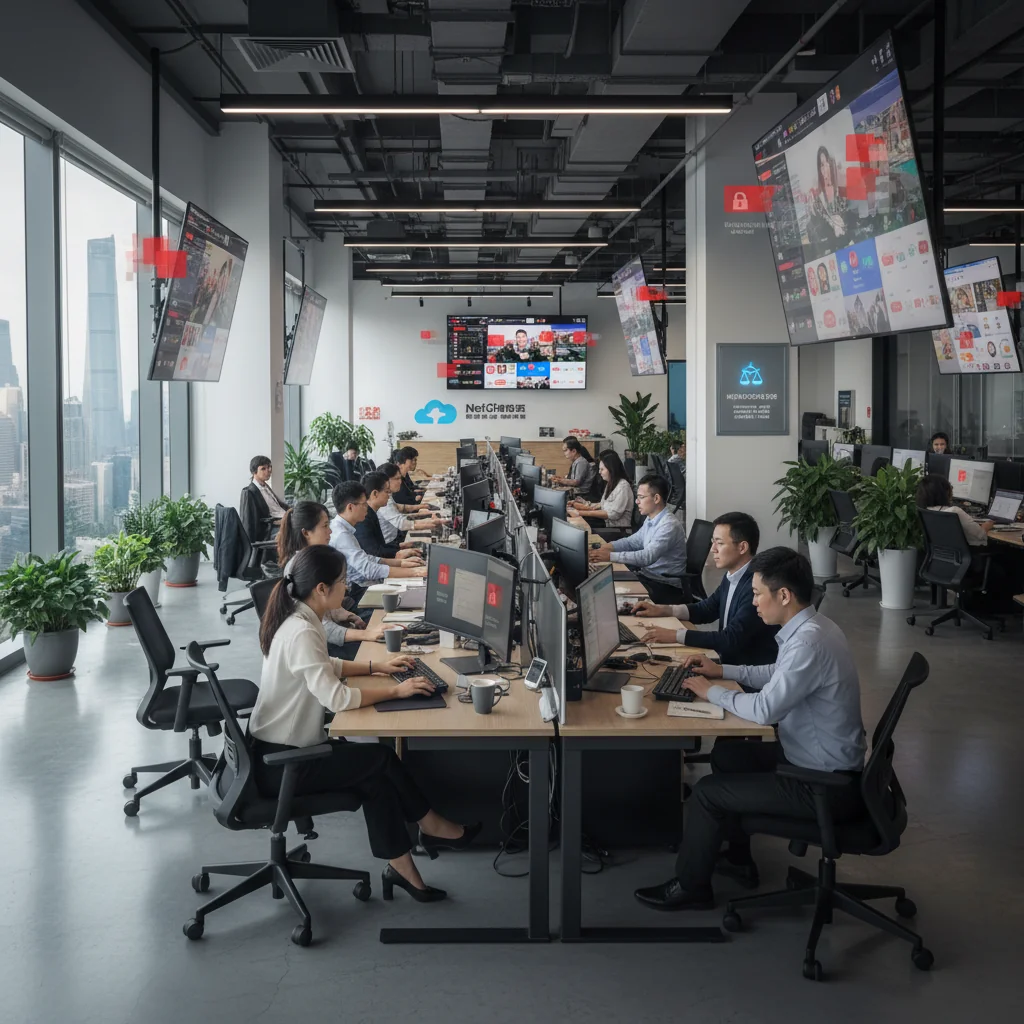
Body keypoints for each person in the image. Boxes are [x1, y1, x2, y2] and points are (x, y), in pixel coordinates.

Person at [634, 548, 866, 911]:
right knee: (729, 754)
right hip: (814, 759)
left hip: (824, 784)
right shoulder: (814, 627)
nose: (754, 602)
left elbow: (763, 709)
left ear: (784, 595)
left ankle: (692, 887)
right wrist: (723, 672)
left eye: (758, 593)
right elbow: (775, 674)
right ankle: (738, 857)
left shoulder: (807, 642)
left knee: (709, 793)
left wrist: (711, 692)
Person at [249, 545, 479, 903]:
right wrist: (397, 692)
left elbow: (326, 668)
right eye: (342, 581)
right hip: (283, 762)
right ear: (322, 589)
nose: (347, 587)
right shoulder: (302, 631)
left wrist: (376, 668)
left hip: (280, 749)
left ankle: (404, 871)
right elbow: (337, 699)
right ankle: (431, 825)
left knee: (376, 778)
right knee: (381, 760)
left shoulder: (299, 617)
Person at [634, 512, 779, 665]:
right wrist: (664, 610)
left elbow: (730, 639)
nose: (713, 549)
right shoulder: (733, 574)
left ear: (742, 547)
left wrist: (675, 635)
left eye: (720, 543)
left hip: (743, 673)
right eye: (712, 542)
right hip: (727, 662)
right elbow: (709, 609)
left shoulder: (755, 587)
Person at [275, 501, 384, 655]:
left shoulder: (317, 557)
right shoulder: (302, 567)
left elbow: (326, 609)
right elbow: (322, 627)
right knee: (379, 650)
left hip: (333, 633)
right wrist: (366, 634)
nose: (330, 532)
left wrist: (348, 615)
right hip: (323, 645)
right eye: (325, 526)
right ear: (306, 533)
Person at [589, 474, 687, 603]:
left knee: (609, 593)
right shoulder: (652, 518)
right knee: (601, 582)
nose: (637, 501)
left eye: (641, 497)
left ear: (656, 498)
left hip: (664, 586)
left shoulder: (668, 525)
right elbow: (632, 542)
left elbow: (647, 557)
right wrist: (605, 548)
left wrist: (610, 556)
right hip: (648, 577)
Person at [329, 482, 426, 602]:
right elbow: (368, 570)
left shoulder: (343, 528)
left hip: (365, 583)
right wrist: (414, 572)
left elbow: (367, 558)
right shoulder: (342, 535)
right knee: (418, 596)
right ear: (350, 507)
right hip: (360, 590)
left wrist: (399, 563)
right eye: (364, 504)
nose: (367, 507)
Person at [357, 471, 433, 559]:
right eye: (387, 492)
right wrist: (398, 552)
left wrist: (400, 546)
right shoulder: (363, 518)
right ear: (375, 494)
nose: (389, 496)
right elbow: (375, 552)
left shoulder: (372, 512)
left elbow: (380, 546)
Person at [916, 474, 992, 546]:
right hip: (968, 554)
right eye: (950, 487)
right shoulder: (954, 512)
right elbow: (980, 534)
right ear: (946, 492)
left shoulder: (925, 511)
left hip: (939, 554)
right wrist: (986, 526)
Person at [378, 462, 443, 545]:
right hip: (390, 543)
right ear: (386, 481)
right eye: (397, 479)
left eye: (400, 478)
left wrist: (425, 509)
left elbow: (399, 507)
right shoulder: (384, 500)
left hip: (395, 537)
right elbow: (401, 523)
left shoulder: (388, 495)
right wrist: (430, 524)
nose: (400, 482)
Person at [569, 451, 633, 529]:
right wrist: (580, 505)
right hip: (607, 525)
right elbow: (602, 505)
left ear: (611, 469)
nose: (599, 472)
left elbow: (612, 514)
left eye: (602, 469)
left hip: (618, 530)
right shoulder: (611, 483)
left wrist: (580, 512)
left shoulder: (623, 486)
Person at [241, 456, 290, 548]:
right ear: (254, 471)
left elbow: (278, 506)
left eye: (269, 467)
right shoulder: (251, 491)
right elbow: (250, 521)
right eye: (263, 468)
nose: (269, 470)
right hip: (272, 526)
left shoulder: (265, 487)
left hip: (285, 518)